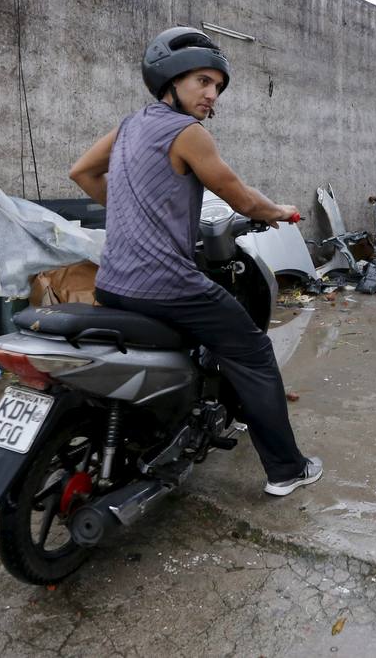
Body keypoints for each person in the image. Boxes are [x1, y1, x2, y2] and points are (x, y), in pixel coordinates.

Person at [69, 27, 323, 496]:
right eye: (203, 82)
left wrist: (131, 209)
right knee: (253, 351)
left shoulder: (127, 127)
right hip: (167, 284)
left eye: (217, 88)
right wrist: (280, 212)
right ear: (171, 80)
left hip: (113, 283)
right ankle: (288, 469)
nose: (212, 95)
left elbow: (81, 172)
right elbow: (240, 196)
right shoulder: (188, 133)